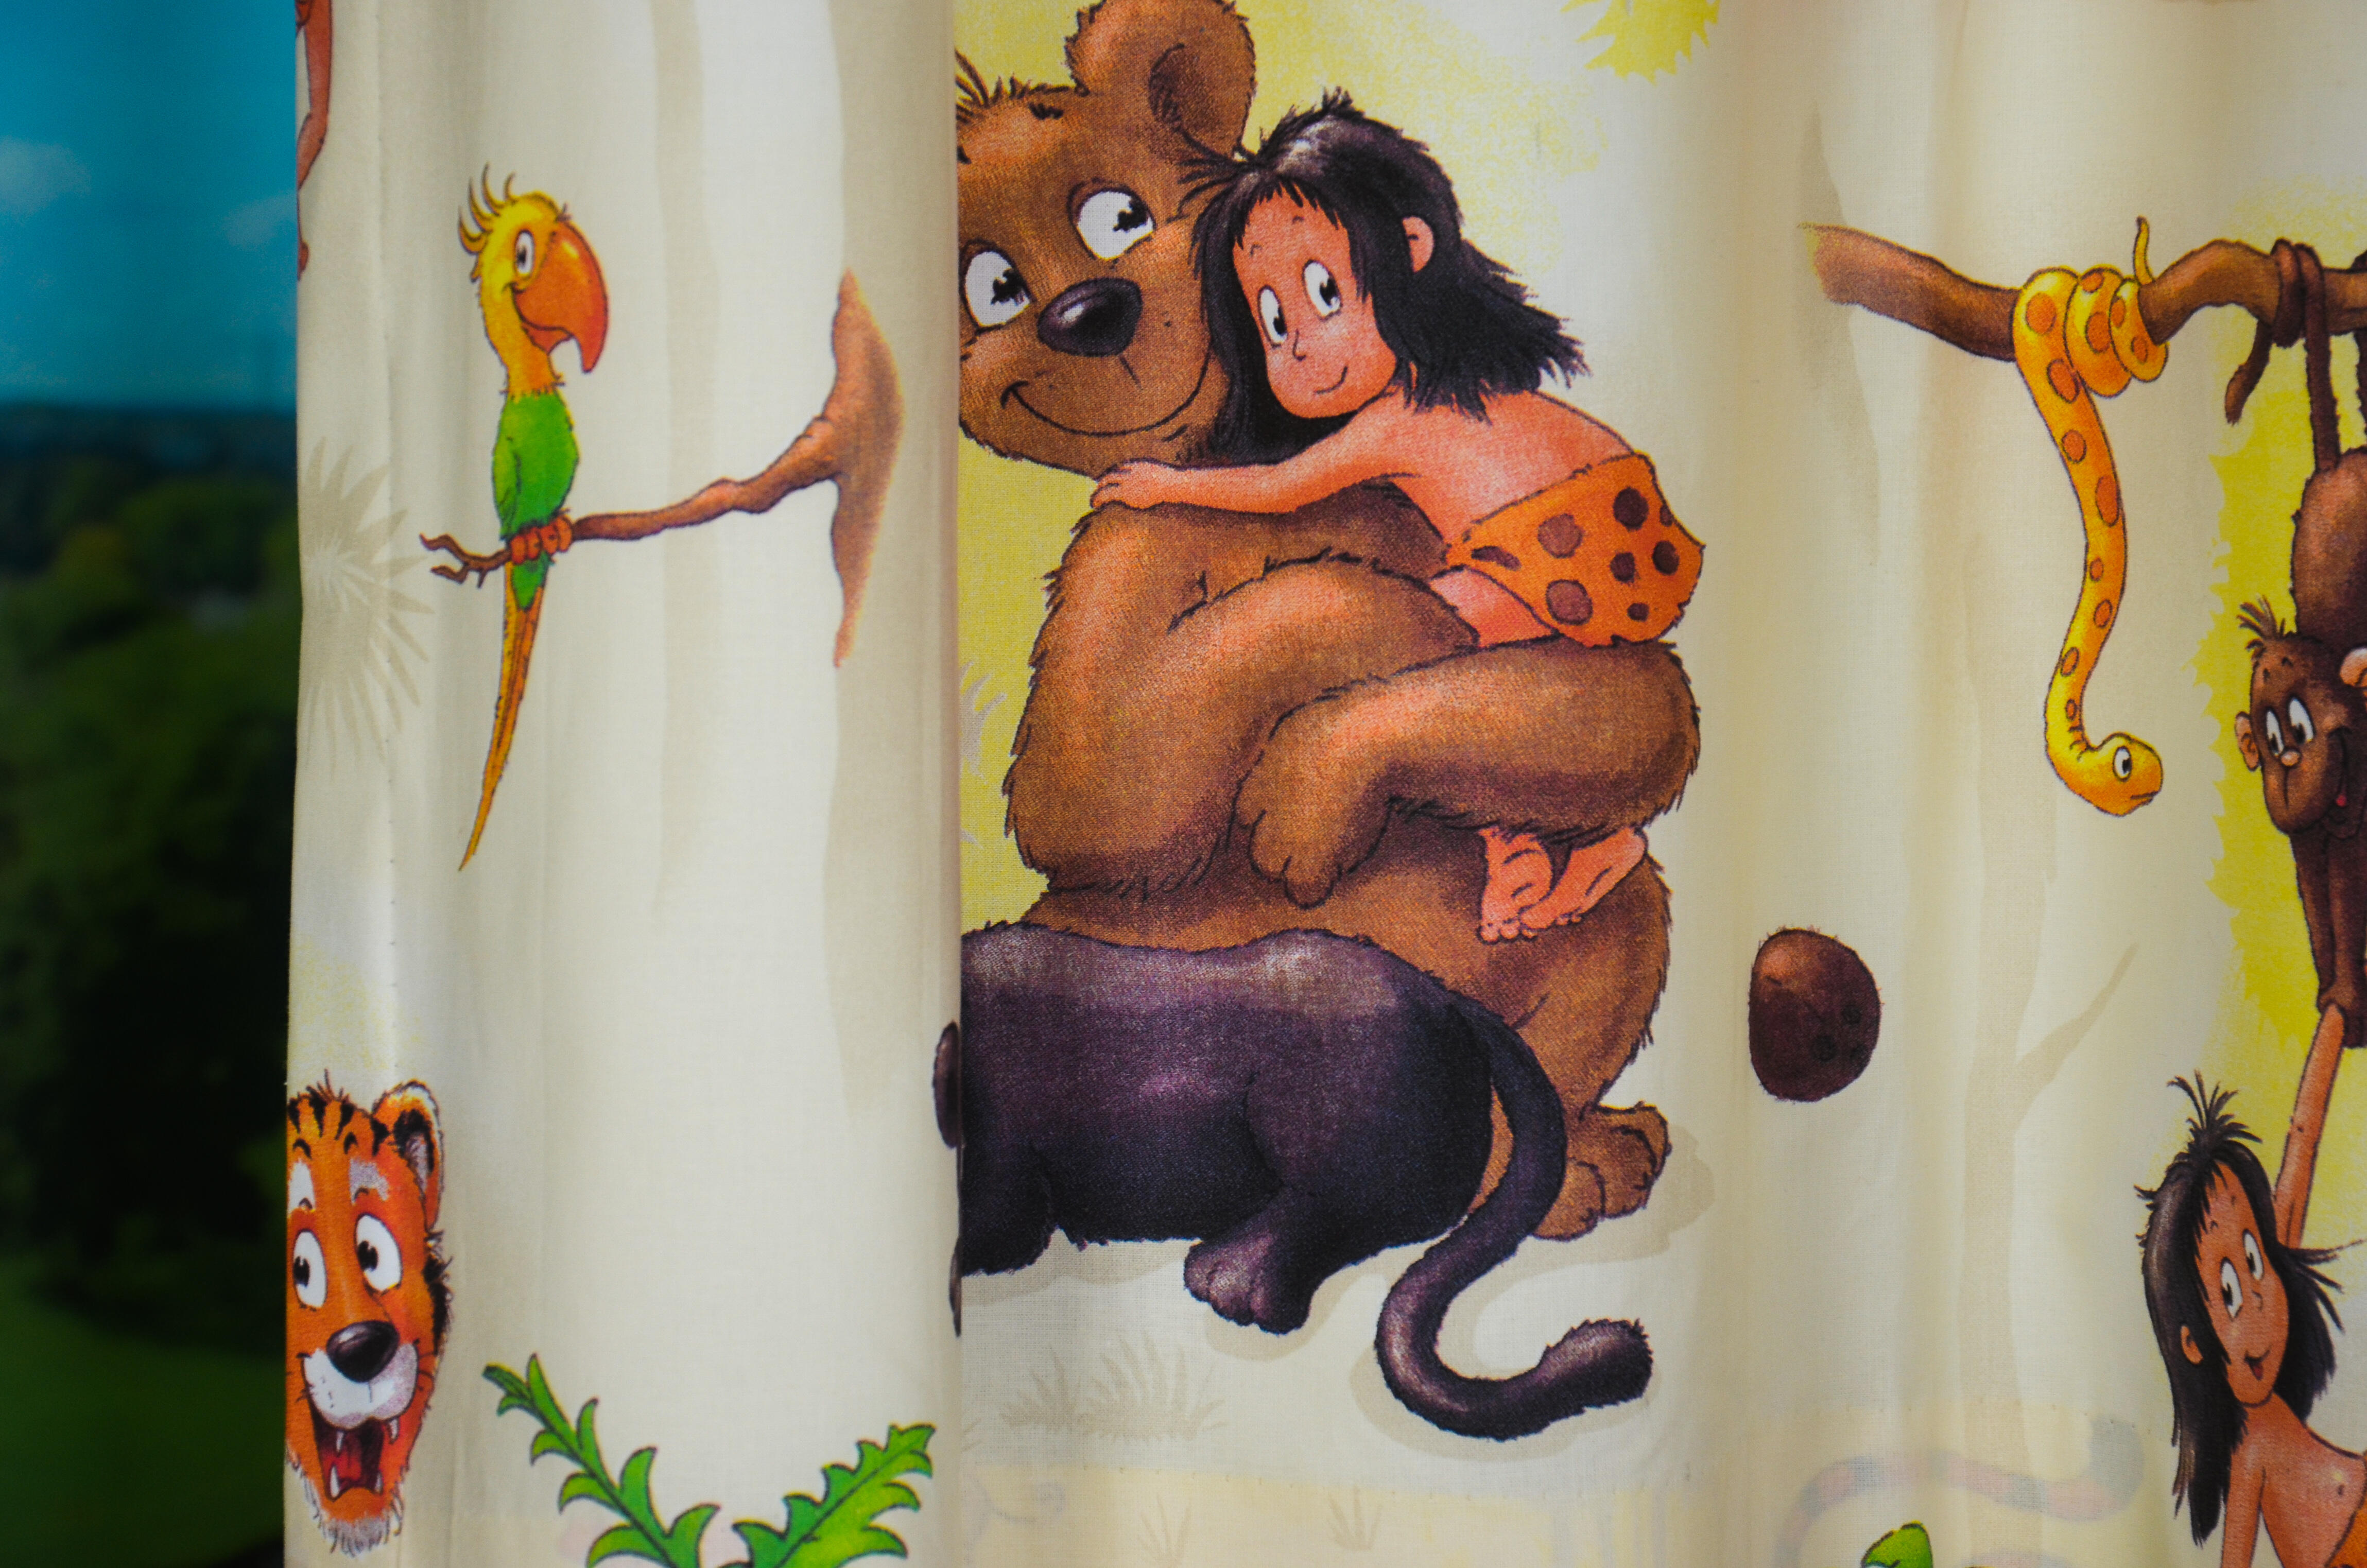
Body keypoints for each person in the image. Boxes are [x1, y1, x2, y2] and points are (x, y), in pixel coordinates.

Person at [1093, 94, 1702, 943]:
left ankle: (1511, 848)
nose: (1297, 342)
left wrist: (1167, 487)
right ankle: (1586, 841)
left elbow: (1278, 489)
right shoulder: (1469, 385)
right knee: (1476, 680)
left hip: (1558, 548)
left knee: (1412, 640)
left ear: (1411, 252)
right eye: (1273, 320)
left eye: (1322, 294)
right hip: (1626, 528)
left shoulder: (1394, 421)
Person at [2139, 1005, 2359, 1567]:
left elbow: (2302, 1142)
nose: (2257, 1298)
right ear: (2193, 1343)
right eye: (2229, 1294)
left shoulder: (2273, 1276)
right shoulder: (2248, 1453)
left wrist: (2336, 1013)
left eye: (2255, 1263)